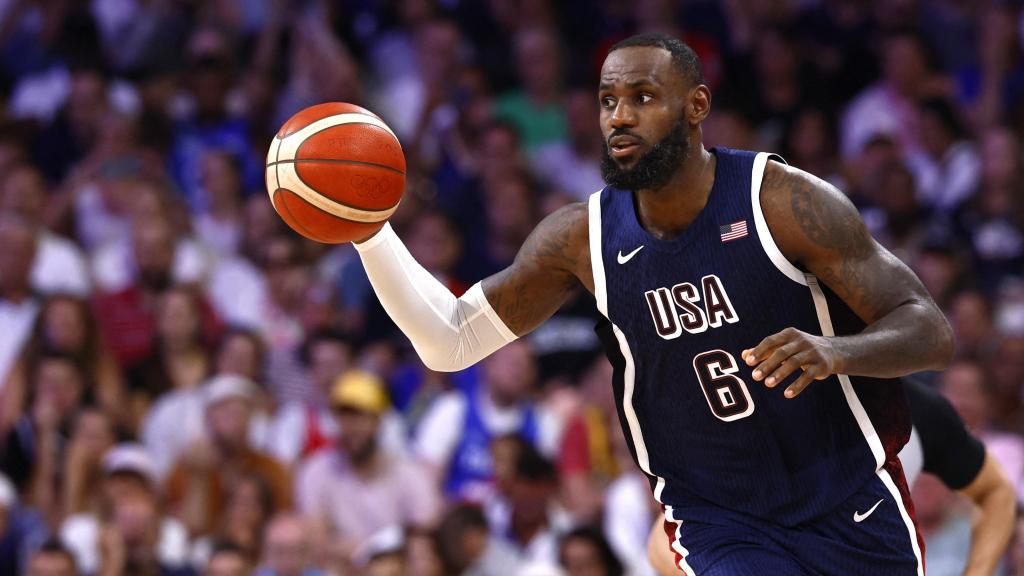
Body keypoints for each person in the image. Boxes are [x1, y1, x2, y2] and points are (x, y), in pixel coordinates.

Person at [354, 33, 953, 574]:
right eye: (609, 100)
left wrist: (836, 351)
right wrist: (368, 230)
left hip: (847, 497)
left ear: (696, 106)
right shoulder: (581, 240)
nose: (620, 117)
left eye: (643, 97)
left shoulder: (781, 201)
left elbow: (928, 329)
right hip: (719, 517)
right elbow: (451, 339)